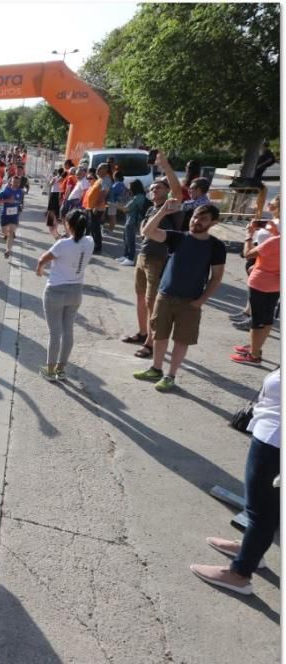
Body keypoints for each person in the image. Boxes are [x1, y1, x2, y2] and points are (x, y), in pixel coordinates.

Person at [190, 368, 279, 596]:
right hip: (270, 436)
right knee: (263, 509)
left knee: (261, 511)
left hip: (275, 443)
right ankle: (252, 551)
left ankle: (239, 574)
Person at [133, 203, 225, 392]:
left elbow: (216, 278)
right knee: (159, 335)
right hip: (165, 295)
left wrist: (201, 301)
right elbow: (148, 232)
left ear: (213, 222)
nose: (197, 221)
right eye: (195, 217)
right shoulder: (178, 237)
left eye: (203, 218)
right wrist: (162, 211)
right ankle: (155, 369)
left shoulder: (216, 246)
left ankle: (170, 376)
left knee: (182, 340)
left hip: (190, 302)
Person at [122, 175, 184, 357]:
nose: (154, 190)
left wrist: (164, 165)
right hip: (144, 256)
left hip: (158, 259)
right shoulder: (151, 209)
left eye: (159, 188)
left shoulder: (171, 209)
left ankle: (150, 342)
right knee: (140, 297)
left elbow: (178, 192)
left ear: (167, 191)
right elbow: (144, 231)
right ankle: (142, 333)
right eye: (153, 188)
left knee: (152, 303)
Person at [35, 211, 95, 381]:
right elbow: (71, 244)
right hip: (76, 290)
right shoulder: (90, 241)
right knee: (68, 330)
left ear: (69, 225)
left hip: (55, 290)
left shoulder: (62, 245)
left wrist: (39, 270)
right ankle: (61, 370)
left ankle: (50, 369)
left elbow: (42, 260)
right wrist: (56, 233)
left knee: (55, 333)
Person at [231, 219, 280, 365]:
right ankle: (255, 348)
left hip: (261, 283)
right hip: (275, 284)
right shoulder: (277, 240)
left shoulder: (274, 242)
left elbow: (247, 254)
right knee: (267, 319)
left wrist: (249, 236)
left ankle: (254, 355)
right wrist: (273, 232)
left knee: (257, 320)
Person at [118, 180, 148, 266]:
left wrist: (114, 205)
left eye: (130, 188)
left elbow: (126, 208)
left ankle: (130, 258)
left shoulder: (138, 197)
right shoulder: (136, 196)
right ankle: (126, 255)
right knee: (126, 238)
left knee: (130, 240)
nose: (129, 189)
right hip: (129, 220)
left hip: (132, 221)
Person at [0, 176, 26, 258]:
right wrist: (7, 200)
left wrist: (20, 207)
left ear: (20, 183)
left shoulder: (20, 192)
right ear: (11, 182)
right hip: (5, 215)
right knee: (4, 231)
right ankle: (5, 235)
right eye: (15, 182)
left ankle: (8, 250)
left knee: (11, 232)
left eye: (18, 182)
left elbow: (20, 202)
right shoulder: (5, 191)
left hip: (14, 216)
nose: (16, 184)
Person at [46, 168, 64, 238]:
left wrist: (53, 180)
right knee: (56, 211)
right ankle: (54, 229)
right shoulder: (62, 178)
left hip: (54, 194)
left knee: (51, 210)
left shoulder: (55, 178)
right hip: (58, 194)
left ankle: (51, 226)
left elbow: (50, 184)